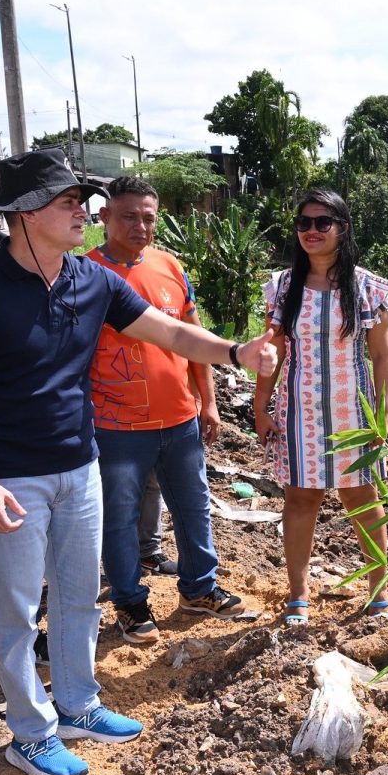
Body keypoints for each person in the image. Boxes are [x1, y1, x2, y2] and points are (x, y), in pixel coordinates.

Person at [0, 148, 278, 775]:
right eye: (68, 202)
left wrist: (233, 351)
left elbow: (166, 332)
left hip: (81, 464)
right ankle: (29, 734)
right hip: (8, 476)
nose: (83, 212)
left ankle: (79, 704)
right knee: (17, 610)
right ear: (26, 213)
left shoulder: (92, 281)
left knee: (81, 595)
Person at [87, 175, 251, 644]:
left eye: (148, 218)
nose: (140, 226)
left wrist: (209, 403)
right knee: (118, 518)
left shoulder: (169, 266)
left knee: (194, 509)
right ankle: (130, 603)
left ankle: (198, 589)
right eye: (129, 216)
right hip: (116, 427)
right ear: (105, 218)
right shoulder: (84, 275)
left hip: (179, 421)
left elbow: (194, 341)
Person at [253, 188, 388, 626]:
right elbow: (270, 352)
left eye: (322, 223)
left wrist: (383, 414)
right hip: (300, 411)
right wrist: (262, 405)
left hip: (354, 411)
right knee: (300, 498)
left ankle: (378, 591)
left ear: (343, 228)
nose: (311, 231)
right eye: (304, 223)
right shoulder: (282, 287)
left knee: (362, 497)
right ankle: (298, 594)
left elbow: (383, 355)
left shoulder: (367, 288)